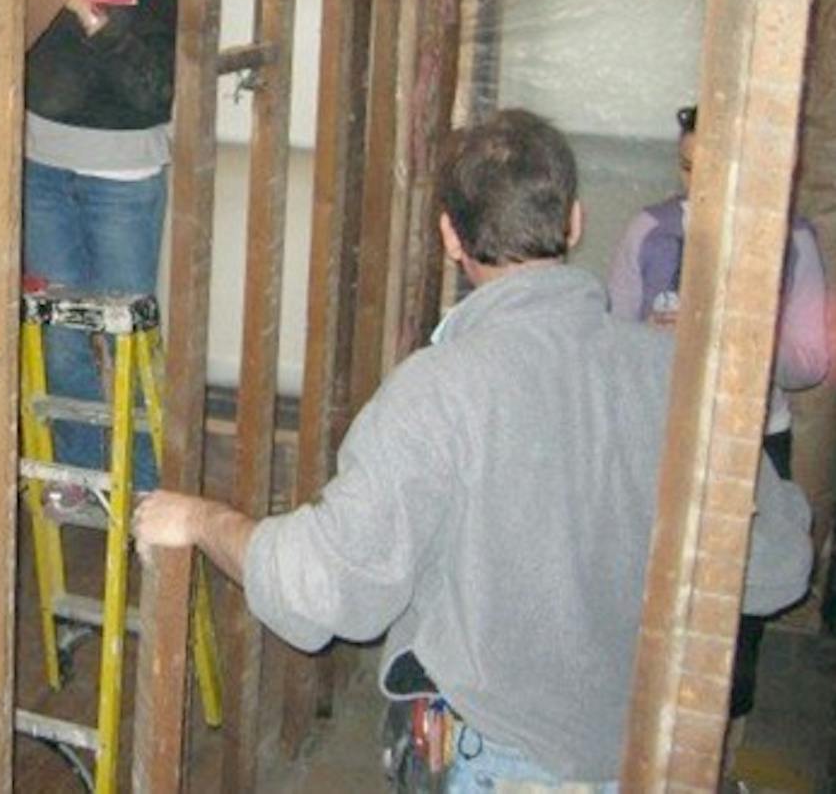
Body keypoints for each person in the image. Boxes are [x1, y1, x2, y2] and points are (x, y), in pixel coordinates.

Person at [134, 110, 813, 789]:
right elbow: (779, 567)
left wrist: (201, 519)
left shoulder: (434, 393)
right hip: (655, 758)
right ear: (574, 222)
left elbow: (324, 591)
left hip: (499, 762)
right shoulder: (676, 377)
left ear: (449, 236)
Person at [606, 102, 828, 729]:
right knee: (643, 597)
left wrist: (739, 332)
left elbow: (810, 363)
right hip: (658, 435)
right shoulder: (650, 232)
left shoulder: (792, 240)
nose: (694, 184)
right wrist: (653, 339)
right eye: (686, 167)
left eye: (712, 168)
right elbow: (610, 343)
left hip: (753, 445)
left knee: (735, 610)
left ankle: (719, 743)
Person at [23, 0, 182, 492]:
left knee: (125, 343)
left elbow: (154, 88)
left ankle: (140, 492)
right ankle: (81, 474)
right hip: (42, 168)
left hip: (123, 176)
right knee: (62, 339)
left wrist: (88, 13)